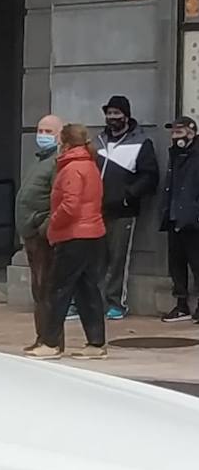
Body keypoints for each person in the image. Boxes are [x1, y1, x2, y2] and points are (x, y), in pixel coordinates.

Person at [30, 123, 108, 360]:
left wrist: (53, 223)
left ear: (65, 143)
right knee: (87, 290)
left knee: (58, 289)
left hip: (74, 235)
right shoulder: (89, 165)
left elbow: (70, 205)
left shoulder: (72, 168)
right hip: (92, 233)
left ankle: (50, 342)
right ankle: (96, 343)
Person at [95, 95, 158, 319]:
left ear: (126, 116)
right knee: (95, 259)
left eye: (116, 114)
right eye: (109, 113)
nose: (112, 118)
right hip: (96, 211)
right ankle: (94, 302)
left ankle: (115, 303)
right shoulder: (99, 141)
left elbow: (150, 176)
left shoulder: (141, 142)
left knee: (118, 258)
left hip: (123, 212)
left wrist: (128, 196)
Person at [17, 114, 63, 351]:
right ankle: (41, 336)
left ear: (59, 135)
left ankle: (49, 339)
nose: (42, 135)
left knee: (46, 289)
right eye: (40, 130)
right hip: (31, 235)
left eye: (48, 132)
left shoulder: (56, 161)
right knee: (38, 289)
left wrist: (43, 226)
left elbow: (57, 198)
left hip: (42, 236)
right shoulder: (40, 160)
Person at [160, 115, 199, 322]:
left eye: (180, 132)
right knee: (176, 263)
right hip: (175, 216)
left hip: (193, 219)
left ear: (191, 133)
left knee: (196, 262)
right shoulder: (174, 155)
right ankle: (181, 303)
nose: (175, 137)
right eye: (173, 132)